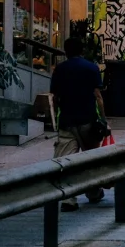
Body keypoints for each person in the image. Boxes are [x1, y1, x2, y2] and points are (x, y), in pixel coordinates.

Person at [50, 36, 108, 211]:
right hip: (88, 121)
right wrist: (104, 120)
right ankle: (93, 192)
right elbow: (98, 96)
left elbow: (55, 97)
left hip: (67, 122)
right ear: (82, 50)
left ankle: (69, 199)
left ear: (66, 51)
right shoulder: (91, 68)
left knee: (66, 162)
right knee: (90, 160)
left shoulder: (59, 69)